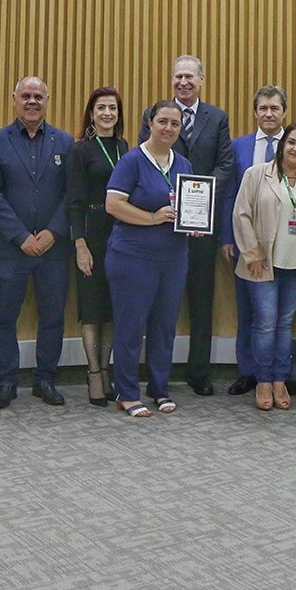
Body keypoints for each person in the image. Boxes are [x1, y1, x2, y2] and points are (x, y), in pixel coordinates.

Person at [138, 55, 233, 396]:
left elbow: (225, 164)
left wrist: (200, 196)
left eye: (190, 76)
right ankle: (154, 373)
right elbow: (144, 163)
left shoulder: (217, 117)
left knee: (201, 302)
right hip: (162, 226)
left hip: (202, 228)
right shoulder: (156, 114)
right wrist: (175, 196)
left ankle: (199, 372)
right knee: (157, 301)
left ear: (201, 80)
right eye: (178, 76)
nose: (183, 82)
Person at [0, 76, 73, 409]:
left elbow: (71, 194)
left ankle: (45, 380)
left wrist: (52, 232)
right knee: (3, 316)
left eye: (38, 96)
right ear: (14, 99)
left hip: (54, 248)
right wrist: (22, 237)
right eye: (26, 96)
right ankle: (5, 382)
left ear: (47, 100)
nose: (32, 101)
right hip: (10, 249)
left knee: (53, 316)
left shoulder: (65, 141)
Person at [106, 101, 196, 416]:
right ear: (149, 123)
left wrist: (195, 226)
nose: (169, 128)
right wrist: (153, 218)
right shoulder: (132, 160)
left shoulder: (183, 163)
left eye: (175, 123)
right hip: (133, 256)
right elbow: (113, 205)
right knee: (131, 327)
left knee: (164, 326)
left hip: (173, 257)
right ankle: (126, 393)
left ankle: (159, 389)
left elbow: (190, 207)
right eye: (163, 121)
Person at [232, 122, 296, 410]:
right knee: (265, 324)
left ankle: (280, 379)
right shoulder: (257, 175)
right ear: (282, 145)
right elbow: (241, 215)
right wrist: (252, 253)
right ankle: (263, 380)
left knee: (284, 324)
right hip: (262, 264)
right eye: (291, 142)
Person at [220, 85, 287, 397]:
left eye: (274, 108)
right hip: (246, 243)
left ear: (284, 112)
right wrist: (227, 237)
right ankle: (248, 372)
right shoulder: (239, 147)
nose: (269, 113)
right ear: (255, 112)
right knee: (248, 311)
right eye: (263, 108)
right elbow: (230, 195)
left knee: (278, 315)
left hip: (287, 243)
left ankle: (276, 374)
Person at [65, 86, 129, 406]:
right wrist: (80, 244)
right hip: (91, 234)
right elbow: (74, 202)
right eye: (101, 107)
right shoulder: (81, 150)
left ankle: (106, 369)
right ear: (91, 113)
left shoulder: (124, 147)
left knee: (112, 309)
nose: (107, 113)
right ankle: (92, 374)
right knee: (91, 310)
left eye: (113, 108)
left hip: (121, 236)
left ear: (119, 114)